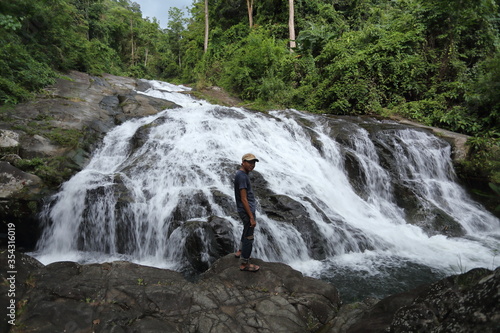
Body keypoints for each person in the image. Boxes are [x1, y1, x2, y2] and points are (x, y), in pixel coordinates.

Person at [233, 153, 260, 272]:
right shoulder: (242, 176)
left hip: (243, 210)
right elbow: (244, 198)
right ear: (243, 162)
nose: (252, 165)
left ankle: (240, 251)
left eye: (253, 162)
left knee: (246, 229)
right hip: (246, 210)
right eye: (249, 162)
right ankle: (244, 264)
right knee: (249, 236)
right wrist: (251, 217)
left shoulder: (240, 174)